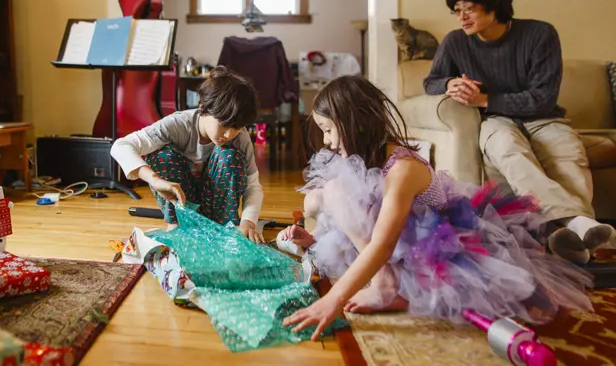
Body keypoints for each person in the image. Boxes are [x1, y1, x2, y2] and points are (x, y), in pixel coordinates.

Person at [281, 75, 593, 340]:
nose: (327, 142)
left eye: (329, 130)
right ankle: (385, 278)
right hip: (396, 239)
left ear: (357, 125)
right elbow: (342, 211)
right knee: (329, 191)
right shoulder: (362, 160)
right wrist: (318, 236)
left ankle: (386, 283)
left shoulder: (402, 168)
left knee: (334, 193)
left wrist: (334, 299)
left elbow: (383, 244)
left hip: (439, 247)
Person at [422, 0, 615, 264]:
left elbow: (543, 98)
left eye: (469, 8)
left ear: (495, 4)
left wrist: (485, 99)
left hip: (543, 117)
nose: (461, 18)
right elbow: (430, 82)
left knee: (567, 154)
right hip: (495, 121)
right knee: (508, 150)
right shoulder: (455, 42)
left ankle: (563, 241)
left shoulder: (540, 35)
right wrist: (449, 83)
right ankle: (578, 225)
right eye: (457, 11)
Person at [110, 66, 265, 243]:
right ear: (203, 108)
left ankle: (224, 228)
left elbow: (252, 186)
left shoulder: (240, 137)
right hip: (183, 206)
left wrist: (248, 222)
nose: (229, 134)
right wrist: (154, 179)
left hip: (218, 214)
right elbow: (120, 146)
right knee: (161, 154)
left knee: (229, 155)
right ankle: (176, 225)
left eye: (236, 128)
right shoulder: (178, 124)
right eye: (225, 124)